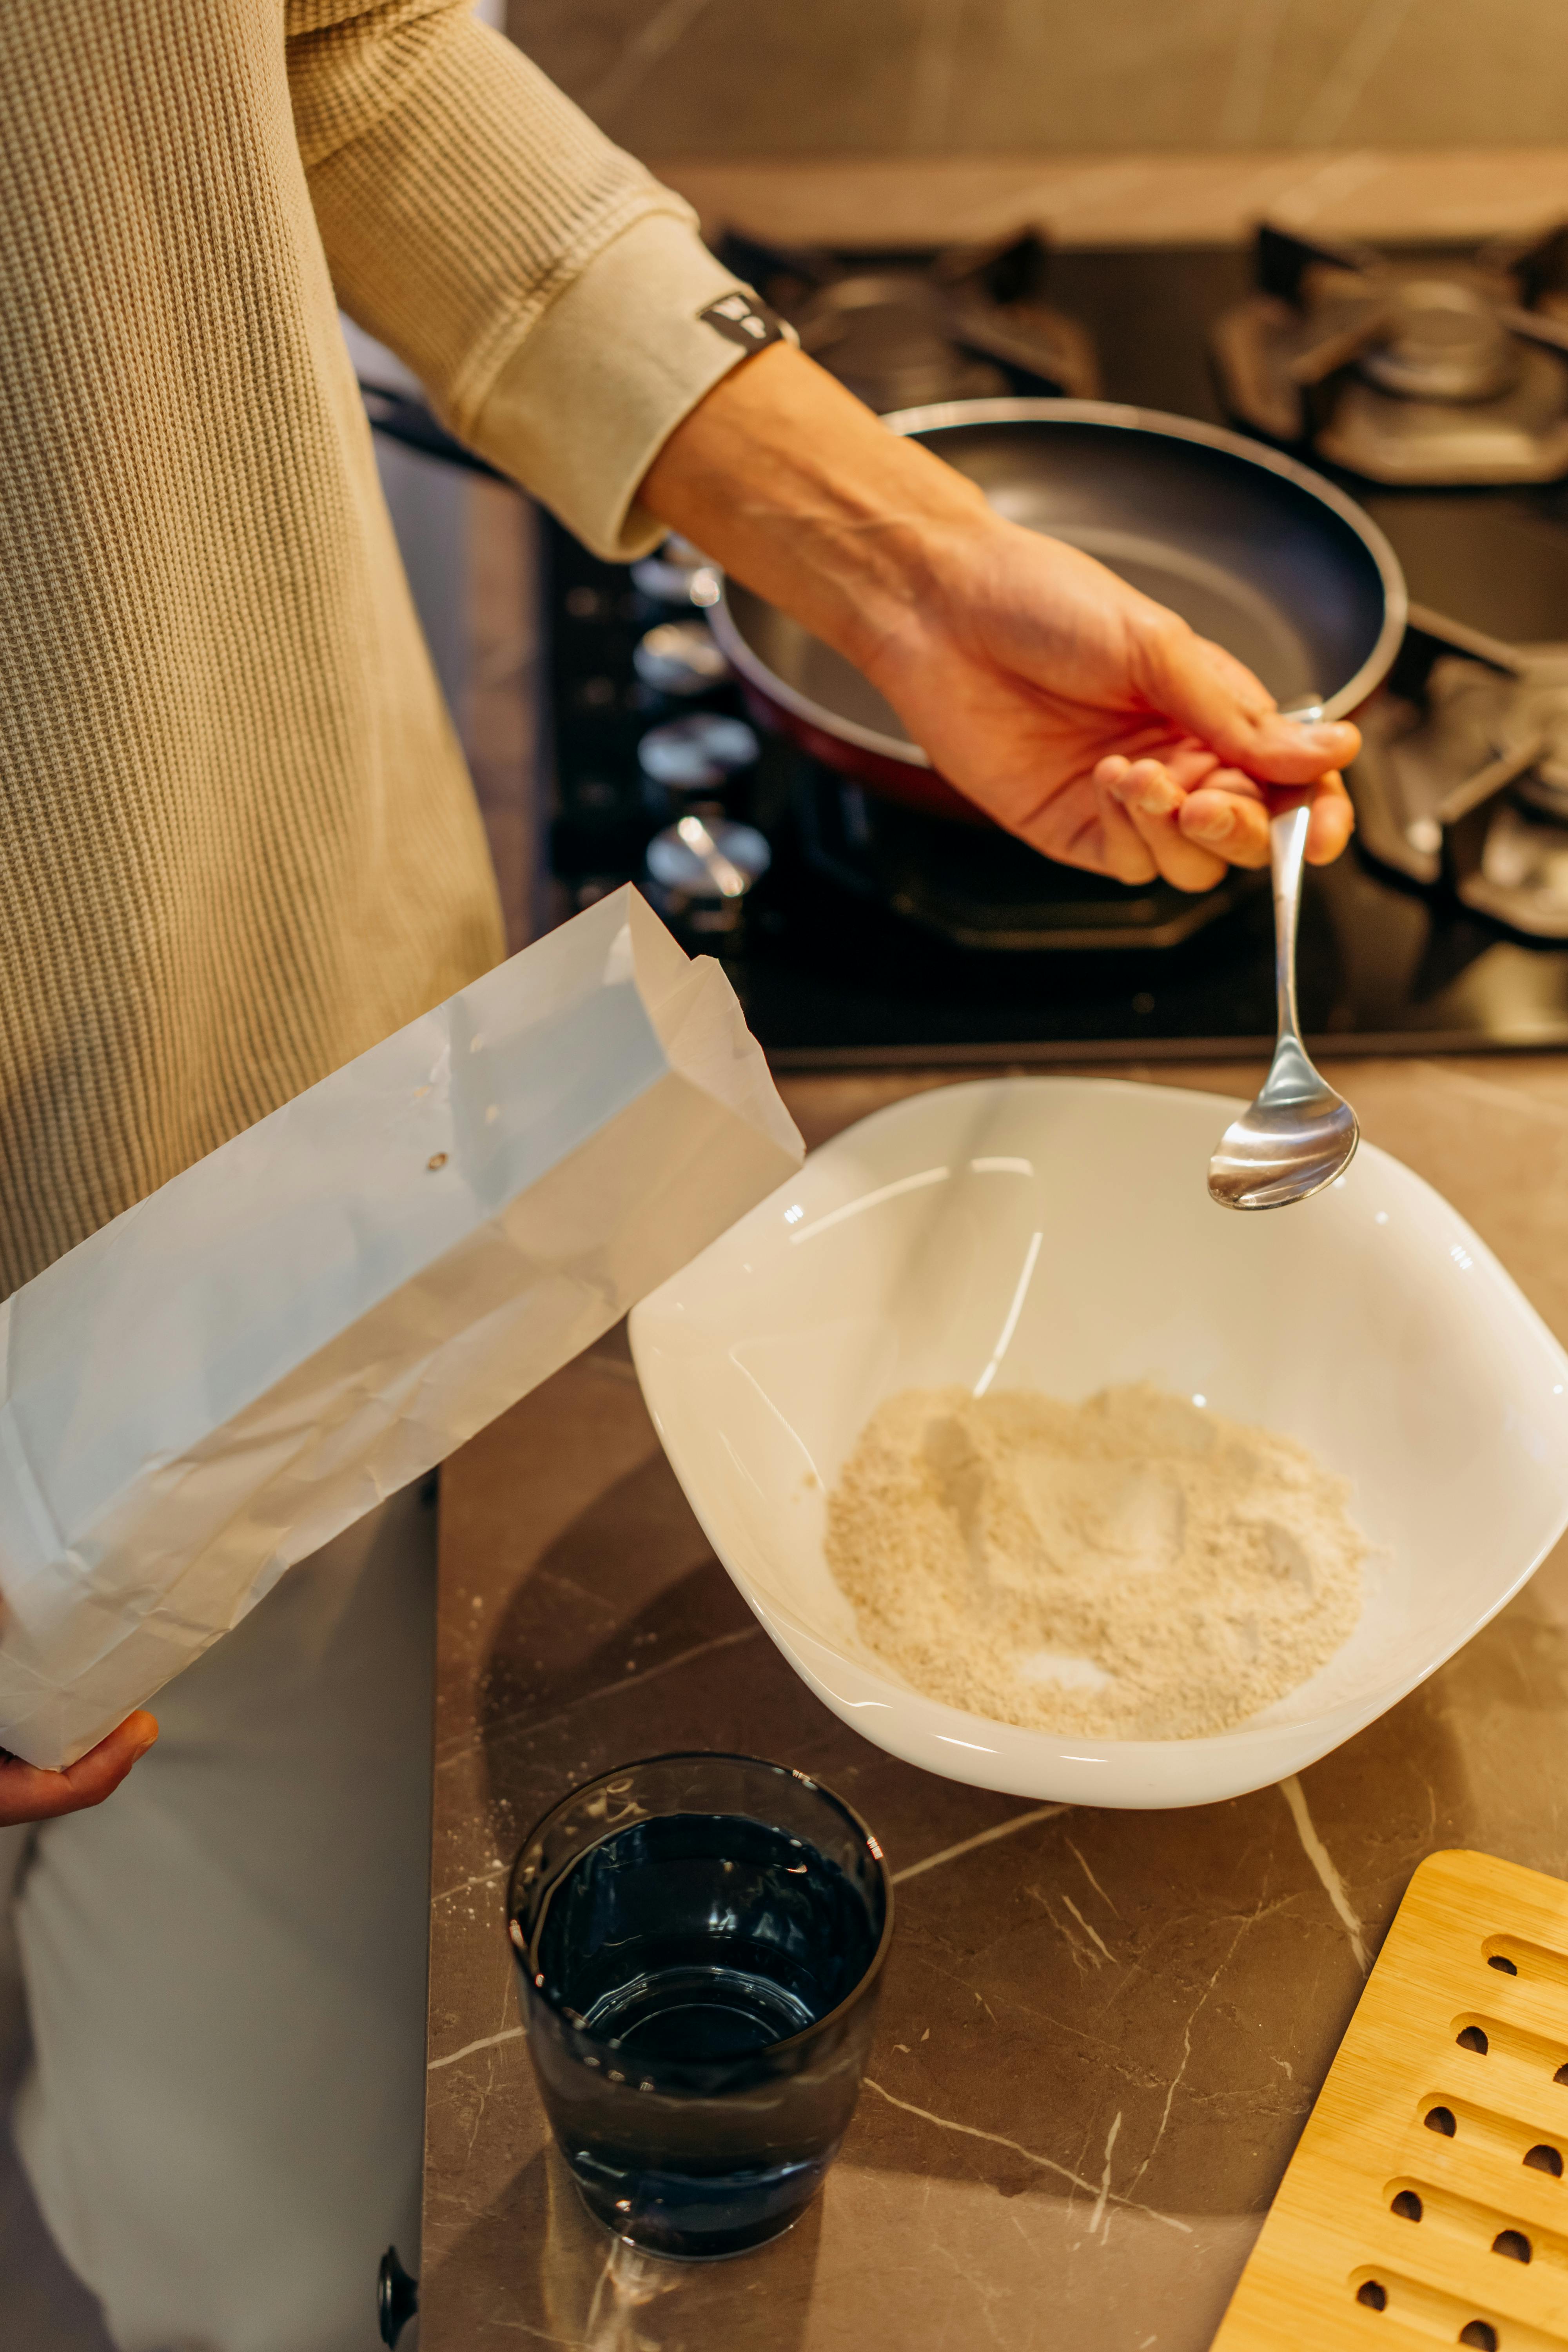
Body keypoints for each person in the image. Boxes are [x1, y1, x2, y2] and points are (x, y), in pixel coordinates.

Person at [0, 4, 1361, 2347]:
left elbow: (330, 43)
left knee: (295, 2227)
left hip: (323, 1122)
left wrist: (913, 568)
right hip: (46, 1320)